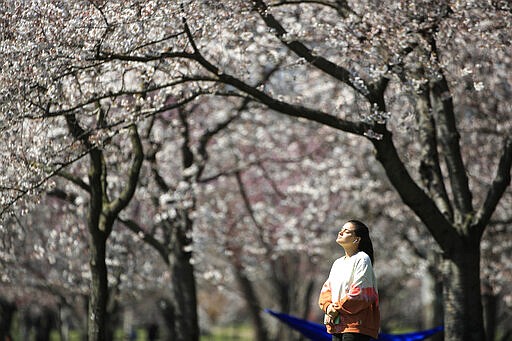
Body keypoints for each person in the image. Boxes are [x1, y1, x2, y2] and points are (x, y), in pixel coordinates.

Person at [318, 220, 380, 341]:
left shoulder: (362, 259)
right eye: (341, 229)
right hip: (337, 323)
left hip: (356, 325)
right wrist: (327, 307)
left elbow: (360, 292)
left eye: (346, 231)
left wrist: (336, 309)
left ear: (357, 239)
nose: (340, 232)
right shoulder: (338, 263)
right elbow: (326, 290)